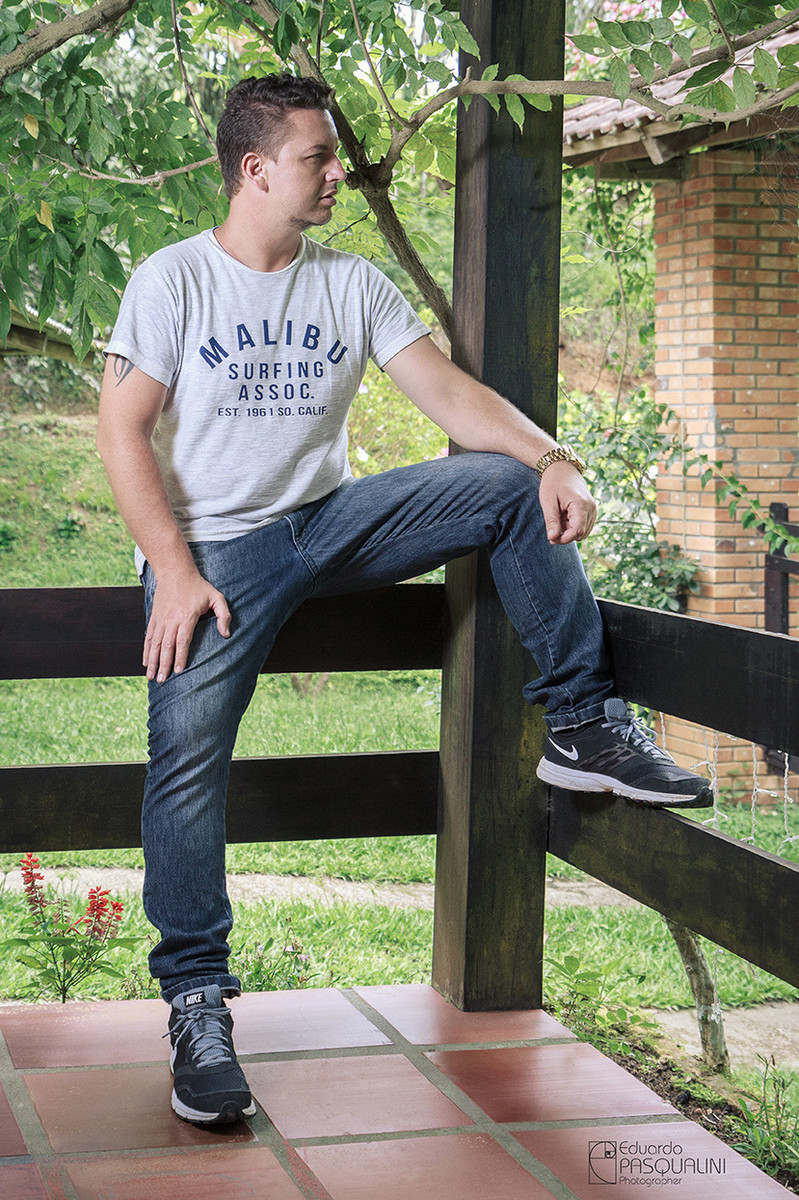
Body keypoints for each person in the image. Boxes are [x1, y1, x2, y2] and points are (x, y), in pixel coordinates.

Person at [96, 72, 712, 1127]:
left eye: (334, 157)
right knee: (186, 763)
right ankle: (198, 1002)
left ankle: (582, 724)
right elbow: (121, 431)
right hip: (215, 557)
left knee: (505, 487)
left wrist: (553, 456)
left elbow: (450, 398)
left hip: (329, 525)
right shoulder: (171, 282)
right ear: (255, 170)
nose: (339, 173)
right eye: (317, 158)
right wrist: (176, 567)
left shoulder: (351, 284)